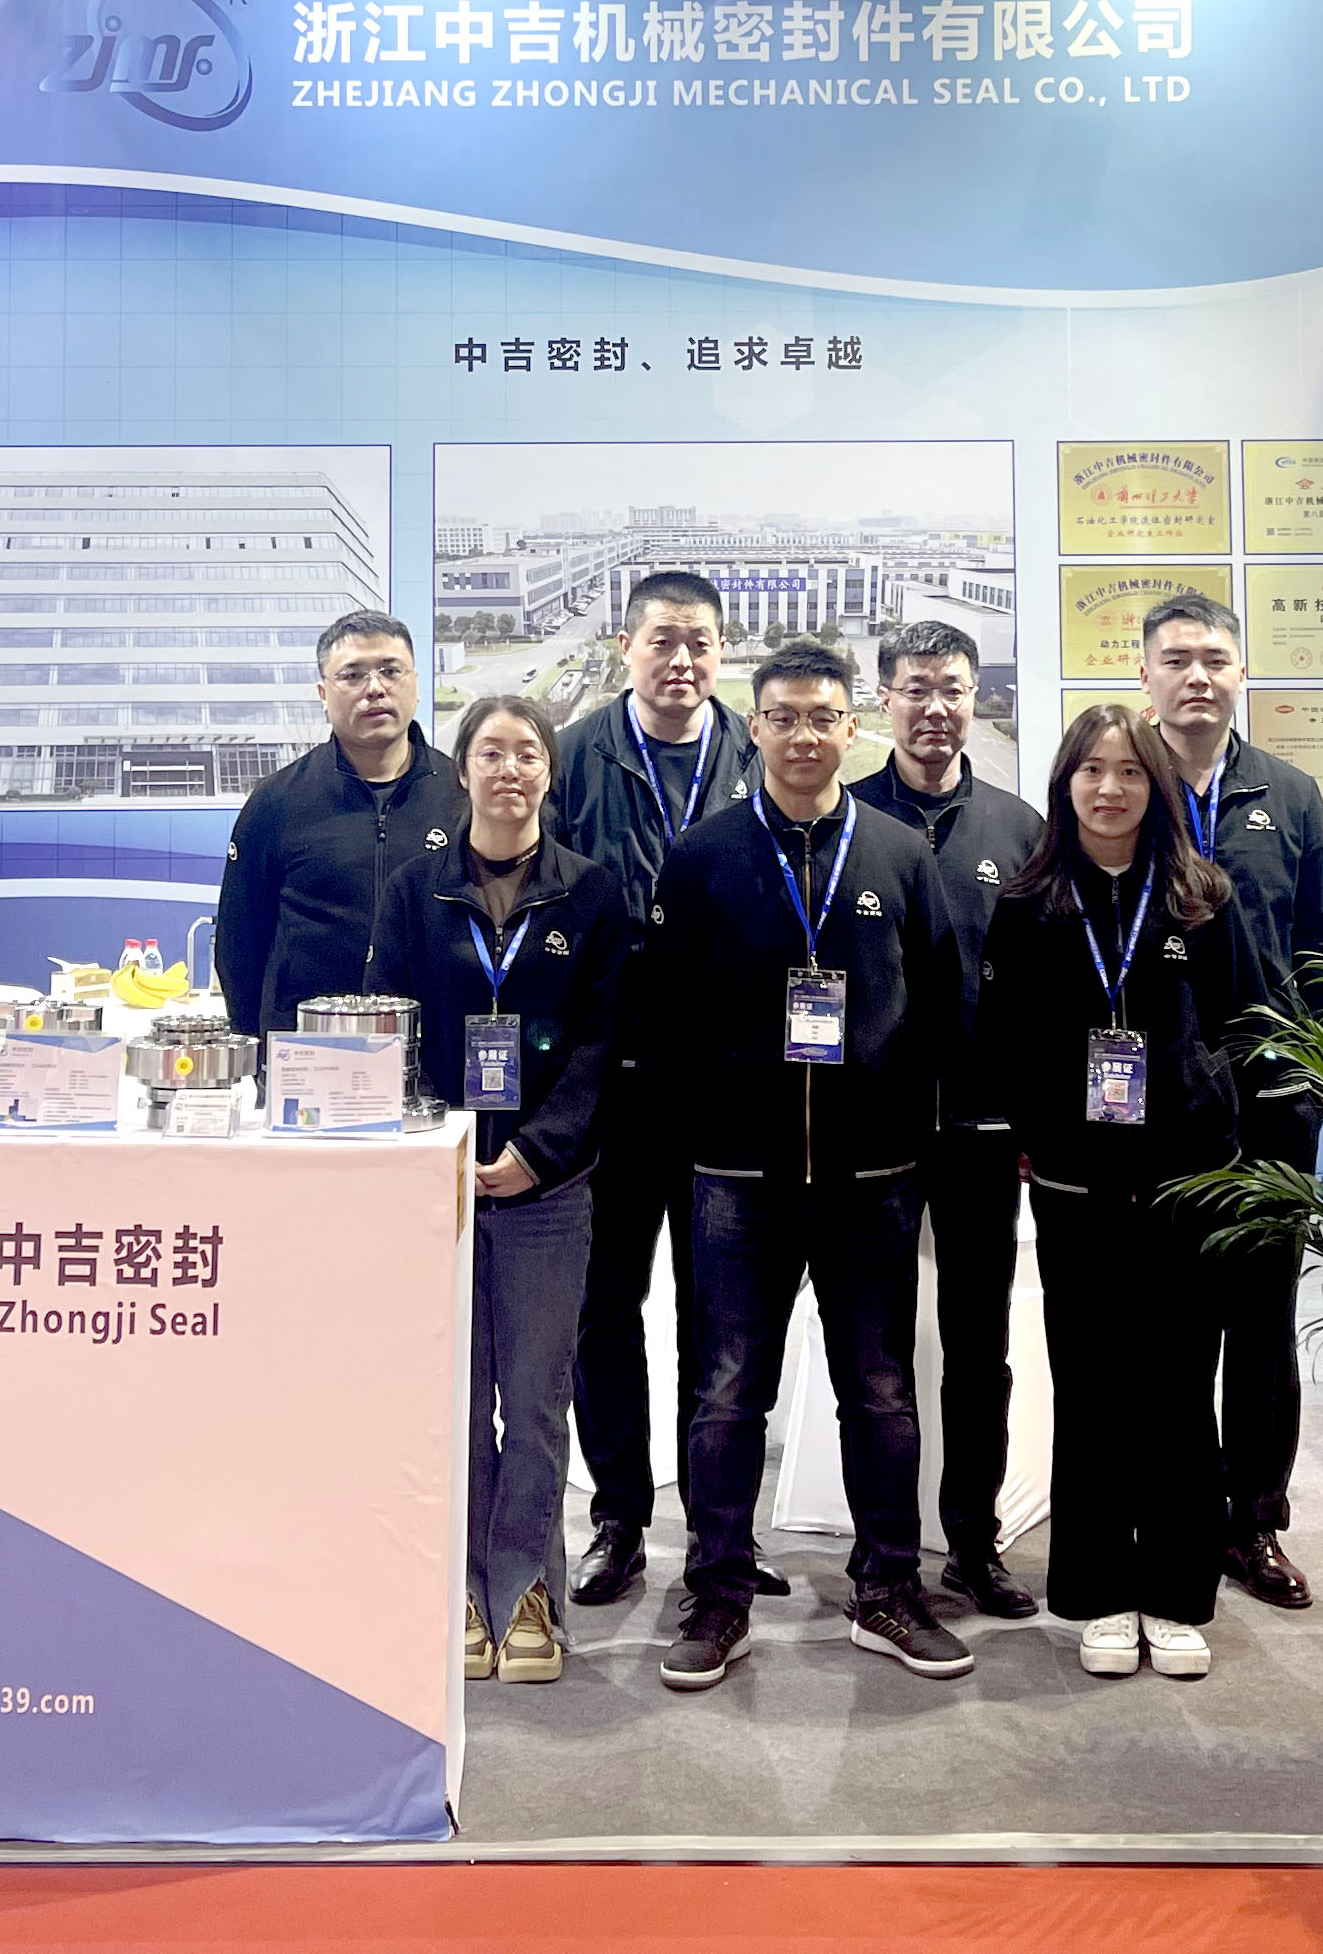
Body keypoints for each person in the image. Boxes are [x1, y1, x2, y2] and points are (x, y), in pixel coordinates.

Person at [644, 639, 973, 1694]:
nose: (802, 736)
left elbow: (942, 1004)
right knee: (727, 1391)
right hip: (739, 1177)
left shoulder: (898, 854)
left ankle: (888, 1589)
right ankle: (718, 1592)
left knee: (878, 1392)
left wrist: (914, 1133)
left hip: (873, 1178)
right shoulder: (703, 856)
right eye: (781, 717)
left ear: (850, 728)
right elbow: (665, 1013)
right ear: (755, 728)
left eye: (821, 717)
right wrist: (707, 1129)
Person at [976, 702, 1244, 1683]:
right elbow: (1001, 1038)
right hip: (1075, 1185)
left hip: (1185, 1181)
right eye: (1091, 770)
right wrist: (1041, 1133)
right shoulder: (1029, 904)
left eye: (1129, 771)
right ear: (1066, 785)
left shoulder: (1201, 899)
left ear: (1155, 787)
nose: (1110, 788)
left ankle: (1175, 1592)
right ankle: (1096, 1593)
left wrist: (1214, 1123)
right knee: (1091, 1388)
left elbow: (1238, 1024)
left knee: (1179, 1386)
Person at [367, 694, 628, 1693]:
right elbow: (386, 1027)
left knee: (535, 1401)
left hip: (547, 1193)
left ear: (548, 774)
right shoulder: (415, 890)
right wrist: (433, 1144)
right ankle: (461, 1595)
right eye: (490, 752)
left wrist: (539, 1153)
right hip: (438, 1186)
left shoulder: (588, 892)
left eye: (527, 753)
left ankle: (525, 1590)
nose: (509, 769)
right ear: (463, 770)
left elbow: (601, 1046)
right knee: (456, 1402)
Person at [1135, 591, 1323, 1613]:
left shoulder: (1288, 794)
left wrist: (1319, 1069)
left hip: (1269, 1100)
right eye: (1177, 659)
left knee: (1261, 1322)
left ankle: (1253, 1521)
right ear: (1145, 675)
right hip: (1152, 1102)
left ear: (1240, 673)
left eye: (1215, 659)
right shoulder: (1119, 783)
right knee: (1168, 1320)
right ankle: (1173, 1510)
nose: (1198, 677)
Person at [552, 573, 761, 1613]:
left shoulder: (757, 751)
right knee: (606, 1304)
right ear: (626, 646)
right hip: (611, 1084)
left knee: (719, 1312)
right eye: (664, 641)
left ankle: (721, 1530)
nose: (682, 661)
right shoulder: (573, 756)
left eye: (701, 643)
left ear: (722, 651)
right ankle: (620, 1518)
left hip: (726, 1084)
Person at [850, 619, 1044, 1621]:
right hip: (873, 1135)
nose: (935, 708)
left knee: (979, 1351)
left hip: (982, 1132)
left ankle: (973, 1541)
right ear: (884, 698)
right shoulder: (844, 820)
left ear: (976, 700)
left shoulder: (1019, 829)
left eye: (953, 689)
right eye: (916, 689)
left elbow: (1047, 985)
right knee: (875, 1357)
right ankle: (881, 1554)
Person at [212, 610, 464, 1035]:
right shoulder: (276, 802)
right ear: (323, 694)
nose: (375, 689)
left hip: (434, 1049)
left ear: (416, 685)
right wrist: (261, 1047)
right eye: (353, 675)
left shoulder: (462, 798)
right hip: (308, 1053)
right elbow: (239, 947)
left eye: (390, 671)